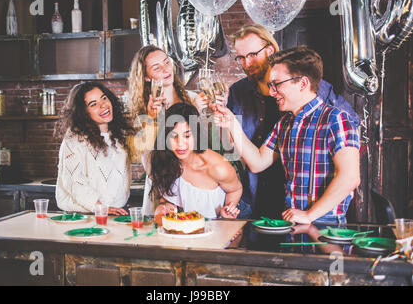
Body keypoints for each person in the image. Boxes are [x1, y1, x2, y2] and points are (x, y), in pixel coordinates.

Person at [221, 24, 360, 219]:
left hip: (326, 224)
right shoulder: (285, 123)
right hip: (290, 218)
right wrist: (230, 122)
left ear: (302, 83)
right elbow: (257, 162)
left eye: (276, 85)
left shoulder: (336, 118)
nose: (272, 92)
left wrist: (309, 215)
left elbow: (350, 177)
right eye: (271, 85)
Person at [127, 45, 207, 215]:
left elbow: (203, 147)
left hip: (194, 187)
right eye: (157, 68)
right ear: (147, 77)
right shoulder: (145, 111)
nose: (166, 69)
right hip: (164, 192)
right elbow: (148, 158)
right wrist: (152, 120)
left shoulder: (193, 98)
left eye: (166, 62)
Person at [151, 103, 242, 224]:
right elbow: (168, 198)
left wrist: (228, 210)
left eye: (187, 136)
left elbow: (236, 189)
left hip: (216, 232)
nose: (180, 144)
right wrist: (164, 207)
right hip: (183, 233)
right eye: (174, 136)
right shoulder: (165, 160)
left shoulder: (218, 167)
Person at [54, 82, 134, 215]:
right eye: (93, 104)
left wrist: (155, 115)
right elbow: (74, 181)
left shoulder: (121, 135)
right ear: (83, 112)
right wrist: (99, 207)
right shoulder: (74, 139)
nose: (103, 105)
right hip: (81, 217)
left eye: (104, 98)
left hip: (114, 215)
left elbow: (148, 152)